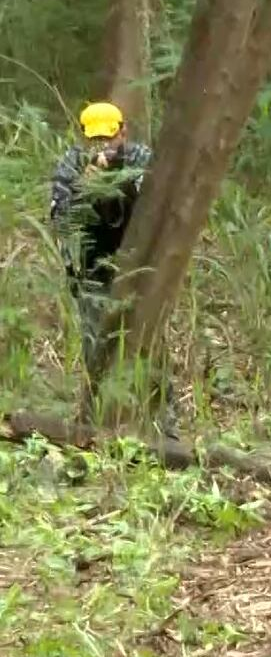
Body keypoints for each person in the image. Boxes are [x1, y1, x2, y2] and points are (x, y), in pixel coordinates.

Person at [48, 102, 168, 426]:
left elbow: (158, 207)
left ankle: (161, 422)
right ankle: (95, 420)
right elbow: (61, 220)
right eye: (95, 140)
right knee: (96, 345)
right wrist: (84, 190)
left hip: (137, 269)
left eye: (109, 138)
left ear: (123, 132)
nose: (103, 147)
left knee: (148, 345)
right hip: (92, 270)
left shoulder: (141, 158)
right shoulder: (72, 164)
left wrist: (124, 184)